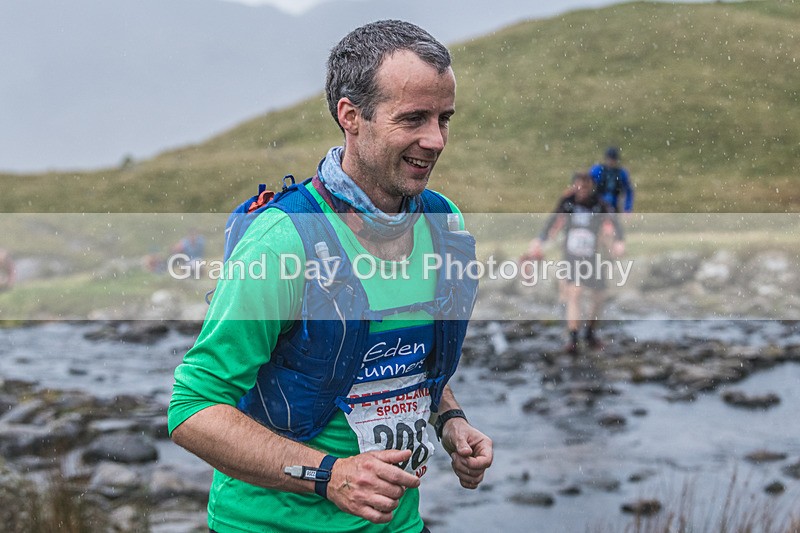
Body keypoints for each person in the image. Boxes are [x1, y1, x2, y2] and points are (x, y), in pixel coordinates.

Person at [168, 20, 492, 533]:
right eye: (413, 119)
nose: (435, 140)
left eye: (444, 118)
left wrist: (450, 419)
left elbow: (398, 364)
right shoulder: (283, 240)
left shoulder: (443, 220)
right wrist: (330, 475)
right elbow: (192, 409)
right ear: (351, 116)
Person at [525, 172, 625, 354]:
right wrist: (540, 240)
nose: (582, 190)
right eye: (579, 186)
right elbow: (552, 221)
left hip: (592, 257)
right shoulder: (568, 202)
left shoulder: (598, 203)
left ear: (591, 187)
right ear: (574, 186)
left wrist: (619, 241)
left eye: (586, 186)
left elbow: (614, 221)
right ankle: (573, 337)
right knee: (575, 292)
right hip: (572, 256)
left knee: (599, 296)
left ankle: (590, 333)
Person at [589, 146, 634, 213]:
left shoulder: (621, 173)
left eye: (613, 159)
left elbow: (628, 191)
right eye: (609, 158)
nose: (611, 161)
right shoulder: (597, 170)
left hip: (614, 205)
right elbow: (586, 185)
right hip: (598, 204)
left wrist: (627, 208)